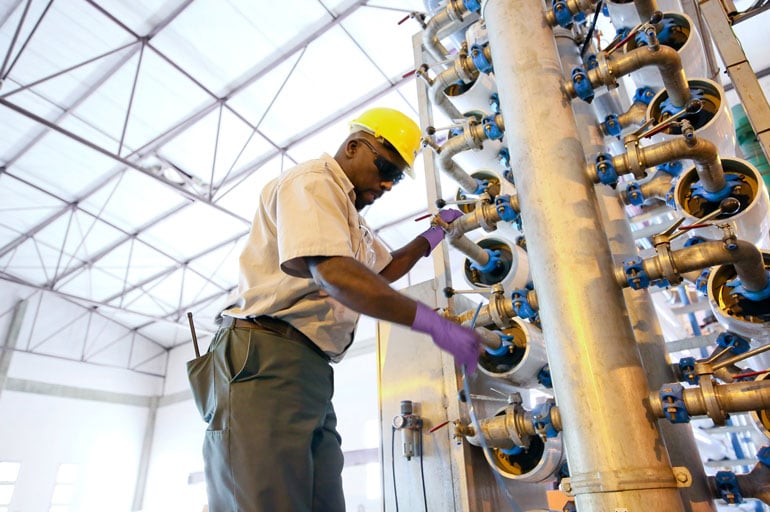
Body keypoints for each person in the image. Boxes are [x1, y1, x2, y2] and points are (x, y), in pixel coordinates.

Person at [189, 107, 483, 512]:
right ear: (353, 147)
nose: (387, 184)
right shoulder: (312, 183)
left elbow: (386, 269)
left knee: (322, 502)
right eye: (385, 168)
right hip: (262, 358)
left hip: (308, 370)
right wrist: (432, 324)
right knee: (265, 501)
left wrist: (434, 233)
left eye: (396, 177)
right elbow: (336, 275)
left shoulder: (350, 221)